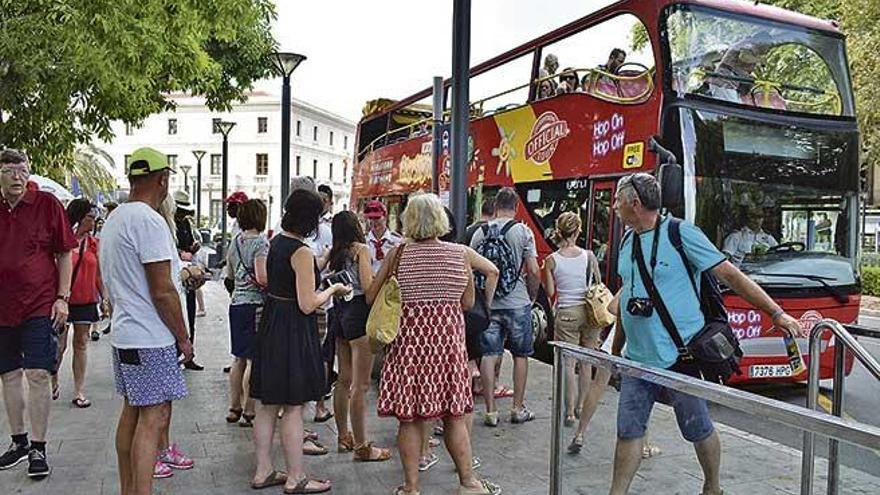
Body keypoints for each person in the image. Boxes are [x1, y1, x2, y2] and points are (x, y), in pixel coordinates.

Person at [608, 172, 805, 495]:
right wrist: (616, 352)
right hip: (637, 361)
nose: (613, 206)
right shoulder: (628, 240)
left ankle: (712, 486)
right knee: (628, 432)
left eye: (617, 200)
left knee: (697, 428)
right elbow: (630, 297)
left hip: (680, 356)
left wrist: (775, 312)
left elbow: (731, 276)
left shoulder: (681, 234)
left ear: (635, 203)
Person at [369, 193, 501, 495]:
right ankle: (468, 482)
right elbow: (467, 302)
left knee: (410, 418)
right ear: (440, 219)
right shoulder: (460, 254)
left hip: (408, 348)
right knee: (454, 415)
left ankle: (411, 487)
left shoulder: (398, 254)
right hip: (448, 347)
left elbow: (371, 296)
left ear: (408, 221)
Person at [100, 147, 194, 495]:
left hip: (126, 333)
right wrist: (183, 338)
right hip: (150, 336)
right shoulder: (149, 221)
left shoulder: (115, 219)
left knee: (133, 412)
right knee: (153, 418)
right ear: (162, 179)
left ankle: (129, 489)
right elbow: (162, 290)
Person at [249, 189, 349, 494]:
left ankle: (263, 470)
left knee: (267, 405)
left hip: (272, 323)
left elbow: (288, 276)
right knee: (293, 406)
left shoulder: (276, 243)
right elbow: (308, 302)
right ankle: (296, 477)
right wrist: (333, 291)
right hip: (293, 329)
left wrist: (321, 260)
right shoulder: (301, 251)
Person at [0, 149, 77, 479]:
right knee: (9, 375)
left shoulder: (47, 205)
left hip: (39, 304)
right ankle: (17, 441)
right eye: (9, 170)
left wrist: (62, 297)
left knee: (38, 374)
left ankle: (38, 447)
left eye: (22, 169)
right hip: (2, 307)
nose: (17, 176)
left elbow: (64, 253)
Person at [469, 187, 540, 427]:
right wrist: (530, 295)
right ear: (516, 207)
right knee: (521, 355)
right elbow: (533, 270)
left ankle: (490, 411)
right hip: (517, 301)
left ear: (496, 205)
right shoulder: (523, 231)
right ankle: (517, 408)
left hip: (489, 304)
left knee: (489, 354)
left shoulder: (479, 232)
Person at [540, 212, 611, 453]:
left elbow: (550, 291)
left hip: (567, 313)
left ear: (559, 231)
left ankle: (569, 412)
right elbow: (598, 285)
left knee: (568, 364)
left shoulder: (551, 260)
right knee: (587, 362)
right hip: (590, 313)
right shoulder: (589, 256)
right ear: (578, 231)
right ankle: (582, 405)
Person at [326, 210, 392, 462]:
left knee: (343, 379)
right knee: (361, 385)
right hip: (358, 316)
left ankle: (344, 436)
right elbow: (367, 288)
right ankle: (363, 446)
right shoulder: (361, 250)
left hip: (339, 312)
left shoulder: (336, 253)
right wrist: (381, 278)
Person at [53, 199, 109, 409]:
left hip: (86, 300)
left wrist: (104, 298)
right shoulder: (61, 241)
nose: (93, 222)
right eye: (89, 218)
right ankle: (54, 378)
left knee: (81, 343)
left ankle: (78, 390)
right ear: (78, 217)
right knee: (59, 345)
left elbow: (99, 275)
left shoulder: (94, 243)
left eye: (94, 218)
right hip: (64, 300)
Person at [225, 199, 269, 428]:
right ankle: (249, 409)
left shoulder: (235, 242)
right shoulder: (261, 243)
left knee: (238, 357)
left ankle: (234, 406)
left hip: (236, 304)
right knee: (253, 359)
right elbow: (262, 277)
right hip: (255, 305)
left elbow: (230, 275)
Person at [173, 191, 204, 371]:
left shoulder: (185, 223)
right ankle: (177, 353)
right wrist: (179, 253)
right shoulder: (167, 223)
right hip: (177, 272)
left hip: (188, 272)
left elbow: (190, 243)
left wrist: (193, 248)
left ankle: (189, 354)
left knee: (190, 314)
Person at [365, 200, 403, 273]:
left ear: (385, 217)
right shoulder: (364, 242)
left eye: (377, 218)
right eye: (370, 218)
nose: (373, 222)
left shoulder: (397, 241)